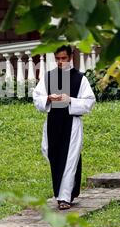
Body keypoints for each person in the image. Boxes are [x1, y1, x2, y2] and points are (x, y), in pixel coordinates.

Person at [33, 45, 96, 210]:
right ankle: (64, 193)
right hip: (53, 122)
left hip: (72, 123)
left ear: (70, 57)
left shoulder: (80, 78)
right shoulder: (48, 77)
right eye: (58, 59)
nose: (61, 62)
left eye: (64, 58)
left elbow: (89, 102)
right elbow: (37, 97)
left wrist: (70, 101)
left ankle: (64, 197)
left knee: (69, 159)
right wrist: (48, 98)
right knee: (53, 156)